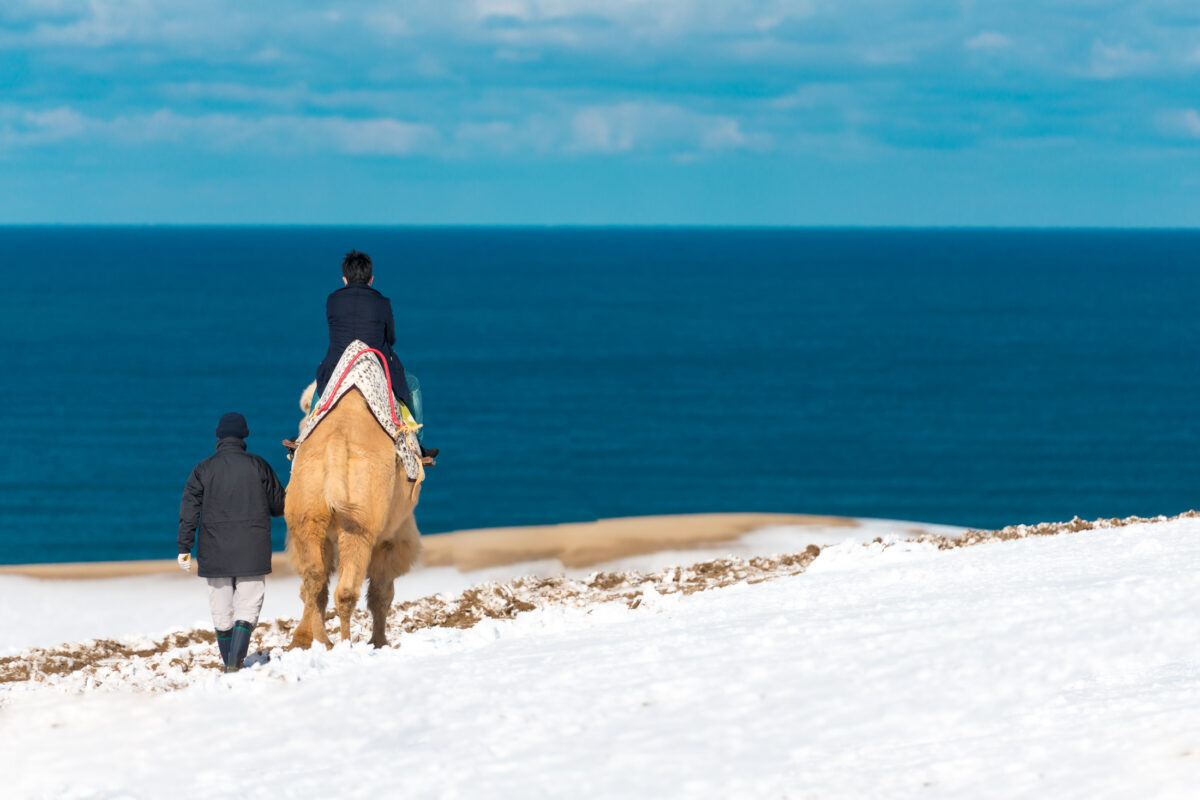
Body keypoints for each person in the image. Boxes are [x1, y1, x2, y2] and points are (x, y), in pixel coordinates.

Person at [178, 412, 285, 673]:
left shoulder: (203, 469)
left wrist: (184, 548)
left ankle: (230, 664)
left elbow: (189, 512)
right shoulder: (259, 465)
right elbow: (279, 506)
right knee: (247, 608)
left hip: (214, 550)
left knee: (221, 611)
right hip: (252, 549)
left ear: (218, 436)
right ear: (245, 435)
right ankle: (234, 664)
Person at [311, 250, 437, 460]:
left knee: (323, 385)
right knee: (413, 384)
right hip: (376, 365)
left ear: (344, 279)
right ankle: (417, 443)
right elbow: (391, 338)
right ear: (371, 279)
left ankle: (305, 436)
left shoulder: (332, 301)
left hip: (339, 367)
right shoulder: (382, 302)